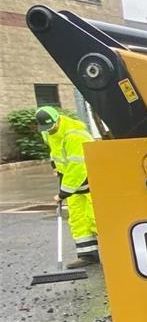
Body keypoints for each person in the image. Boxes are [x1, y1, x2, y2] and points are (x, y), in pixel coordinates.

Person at [35, 106, 99, 267]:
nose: (49, 131)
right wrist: (54, 165)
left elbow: (78, 167)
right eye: (46, 128)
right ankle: (88, 255)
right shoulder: (47, 132)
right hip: (74, 187)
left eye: (51, 126)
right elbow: (55, 151)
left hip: (91, 182)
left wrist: (63, 193)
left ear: (58, 119)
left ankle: (116, 253)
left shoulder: (75, 135)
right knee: (78, 220)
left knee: (96, 219)